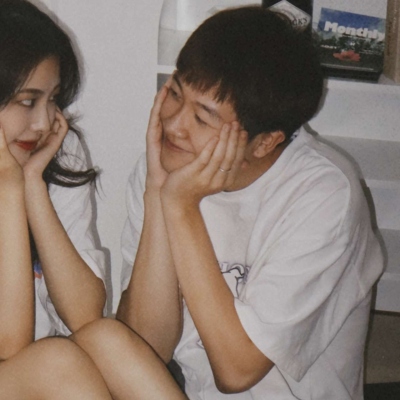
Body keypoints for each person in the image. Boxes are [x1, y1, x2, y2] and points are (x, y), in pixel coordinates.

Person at [74, 5, 384, 399]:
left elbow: (237, 371)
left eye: (203, 119)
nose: (174, 125)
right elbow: (147, 346)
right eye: (174, 94)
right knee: (98, 343)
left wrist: (181, 208)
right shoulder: (166, 164)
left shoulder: (324, 194)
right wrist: (158, 192)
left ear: (266, 142)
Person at [0, 1, 112, 398]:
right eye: (28, 101)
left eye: (53, 99)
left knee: (107, 339)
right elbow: (9, 345)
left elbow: (84, 316)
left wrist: (32, 183)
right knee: (57, 361)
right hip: (24, 367)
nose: (45, 122)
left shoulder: (51, 153)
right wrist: (10, 188)